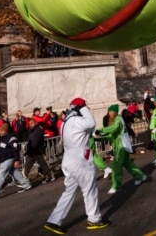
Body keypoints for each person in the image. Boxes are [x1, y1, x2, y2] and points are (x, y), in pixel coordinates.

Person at [44, 98, 109, 234]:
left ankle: (54, 220)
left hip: (68, 159)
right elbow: (91, 122)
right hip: (80, 159)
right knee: (89, 189)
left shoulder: (65, 123)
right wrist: (83, 107)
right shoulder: (77, 121)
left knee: (69, 191)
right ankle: (94, 219)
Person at [98, 104, 147, 195]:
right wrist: (101, 136)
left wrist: (102, 130)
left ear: (116, 112)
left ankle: (116, 186)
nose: (110, 114)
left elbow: (114, 128)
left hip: (121, 145)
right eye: (109, 112)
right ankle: (140, 176)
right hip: (118, 145)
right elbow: (112, 134)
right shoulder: (114, 120)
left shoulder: (118, 120)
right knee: (127, 163)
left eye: (111, 112)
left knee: (116, 164)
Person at [0, 123, 32, 201]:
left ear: (6, 131)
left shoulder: (12, 138)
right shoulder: (0, 139)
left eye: (2, 131)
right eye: (0, 131)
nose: (0, 132)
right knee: (15, 173)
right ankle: (26, 184)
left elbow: (15, 150)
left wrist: (16, 160)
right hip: (3, 160)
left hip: (8, 159)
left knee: (1, 176)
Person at [24, 118, 56, 183]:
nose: (30, 125)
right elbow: (30, 141)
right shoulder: (31, 131)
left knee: (44, 165)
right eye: (29, 124)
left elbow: (36, 142)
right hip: (32, 152)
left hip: (38, 151)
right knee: (27, 166)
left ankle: (50, 176)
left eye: (32, 123)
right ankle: (24, 180)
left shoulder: (39, 130)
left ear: (35, 123)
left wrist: (31, 148)